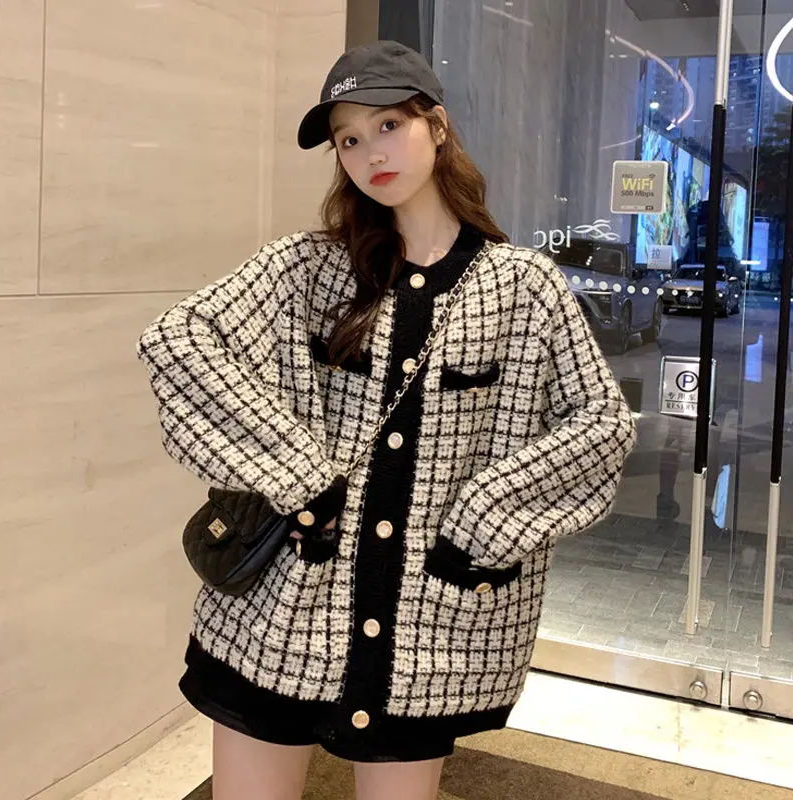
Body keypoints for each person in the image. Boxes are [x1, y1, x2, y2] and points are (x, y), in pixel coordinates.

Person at [137, 40, 636, 800]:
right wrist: (296, 474)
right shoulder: (307, 267)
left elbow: (600, 422)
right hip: (283, 615)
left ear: (437, 125)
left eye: (389, 125)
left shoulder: (520, 286)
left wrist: (482, 523)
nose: (370, 152)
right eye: (348, 139)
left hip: (426, 635)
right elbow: (177, 342)